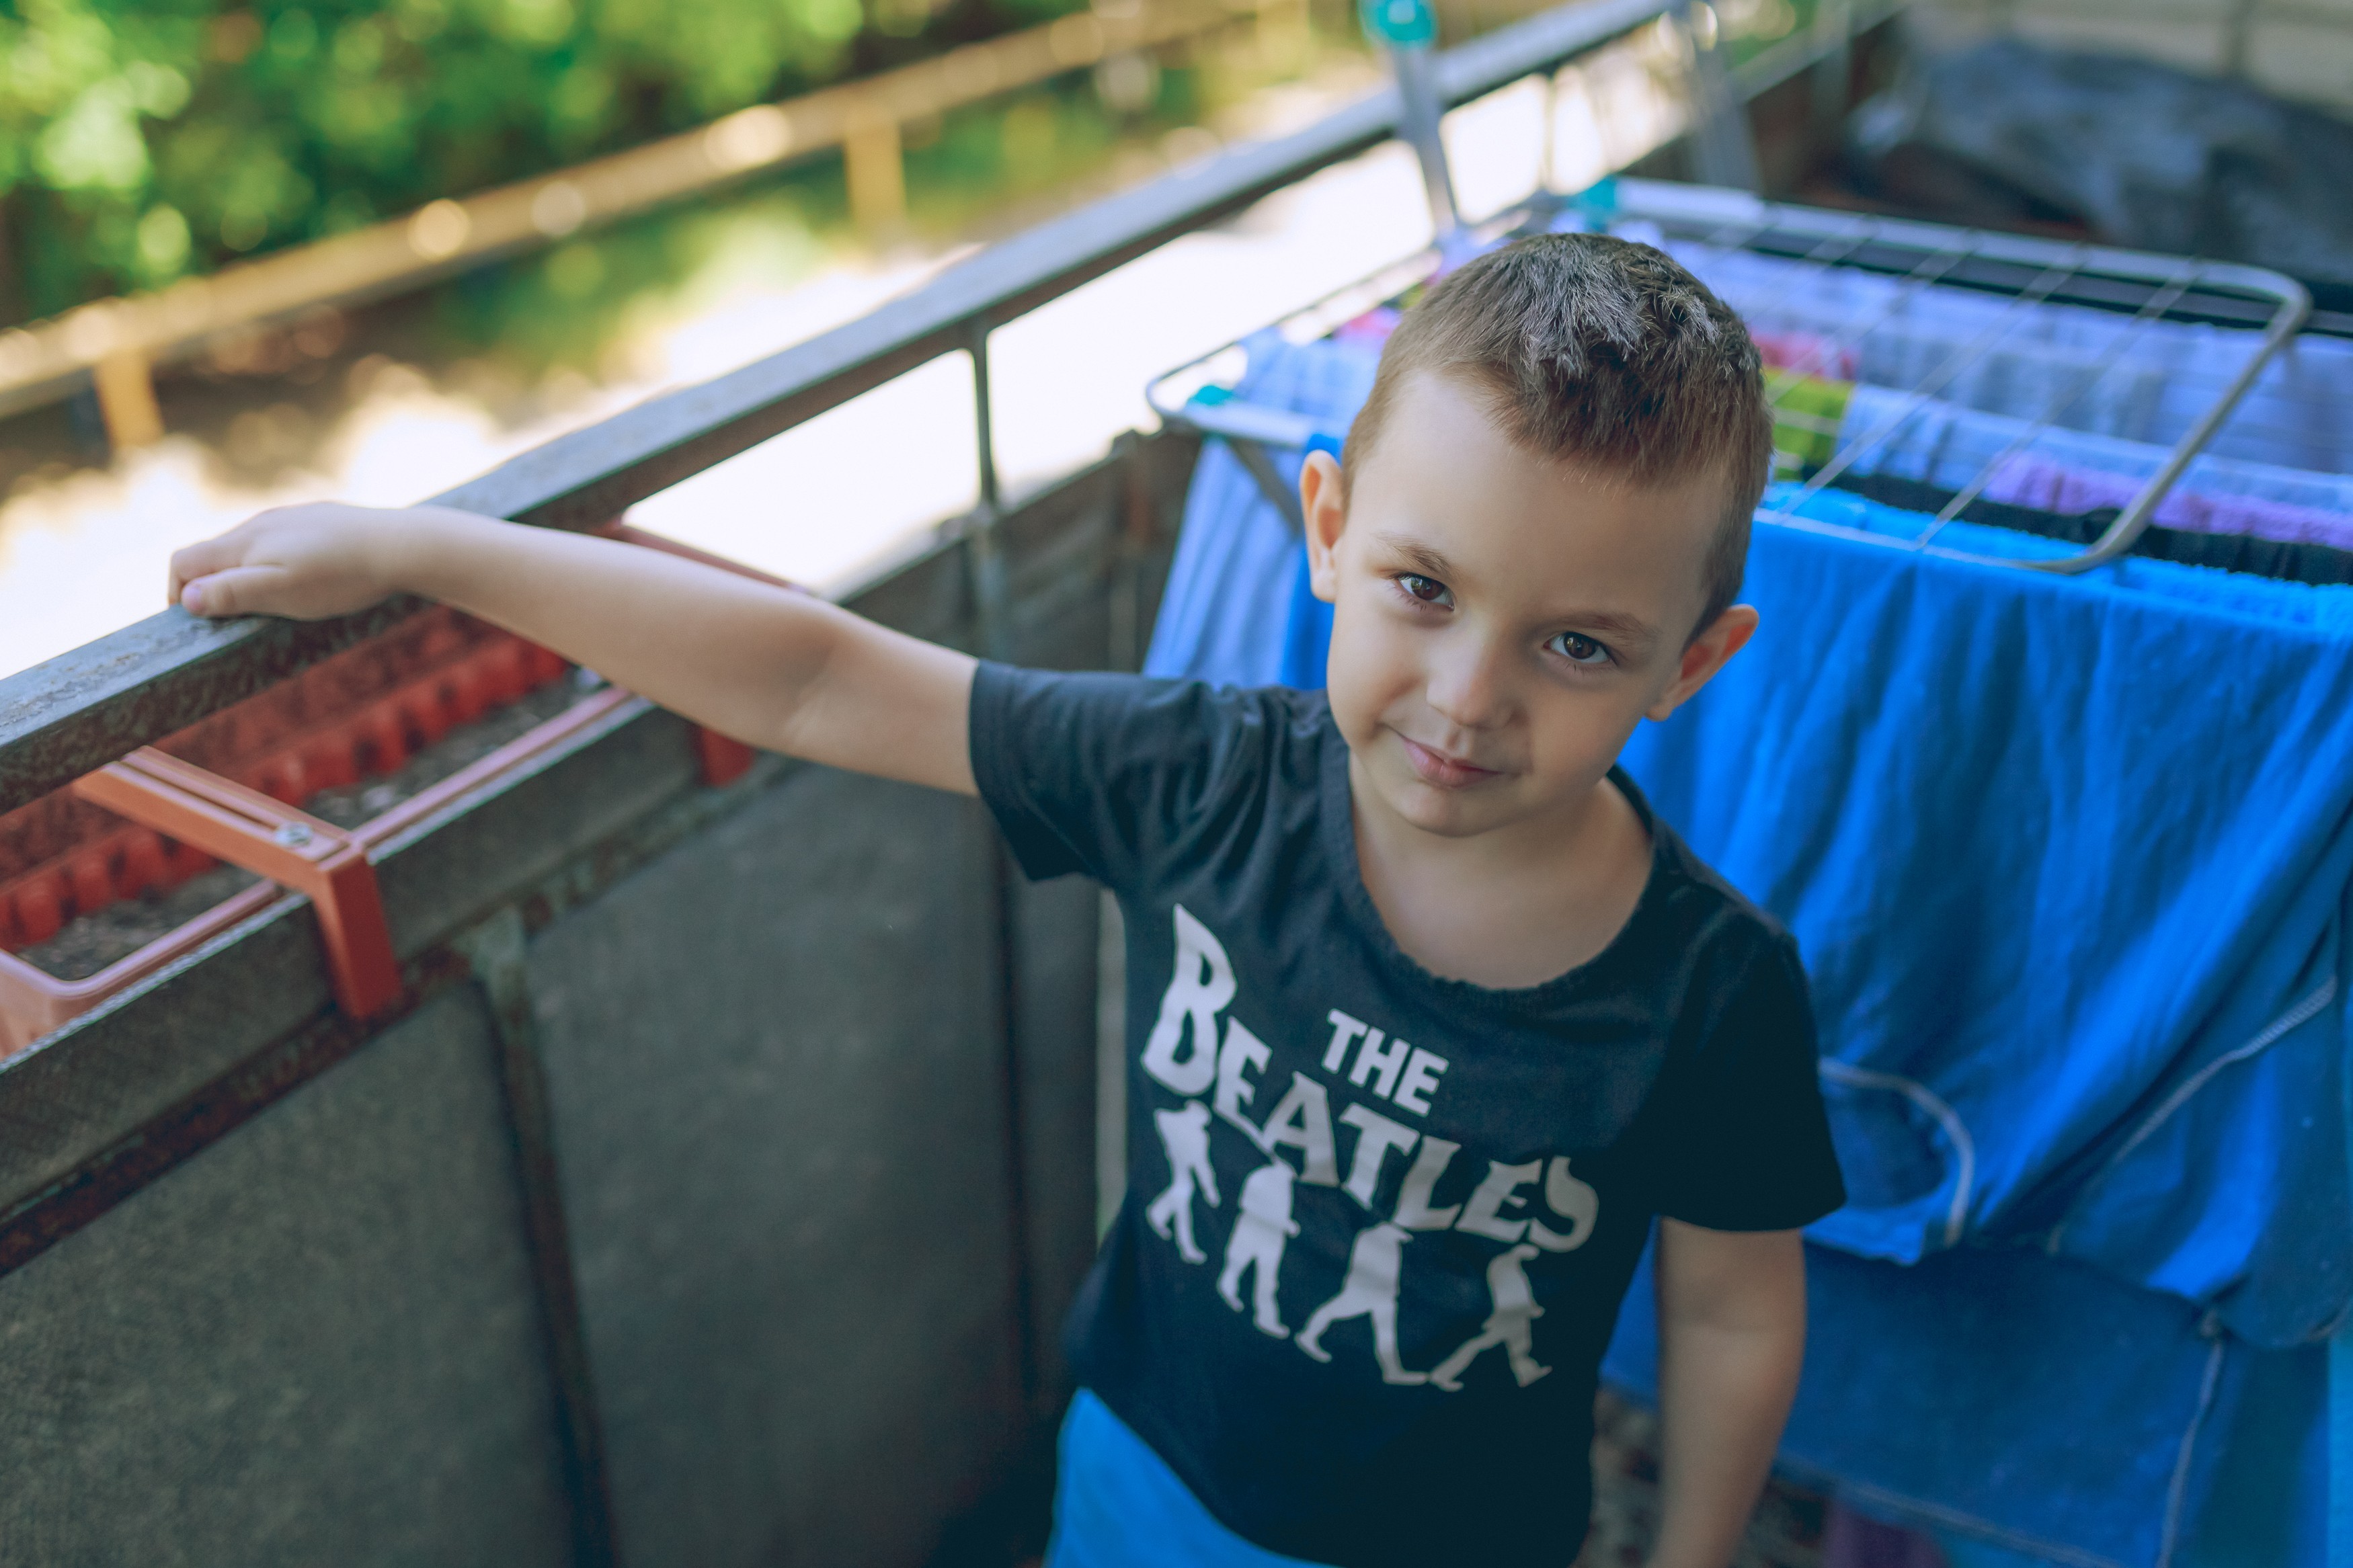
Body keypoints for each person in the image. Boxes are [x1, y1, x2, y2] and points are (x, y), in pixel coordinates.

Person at [169, 232, 1845, 1568]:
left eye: (1576, 645)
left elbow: (1728, 1308)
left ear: (1690, 665)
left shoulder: (1712, 987)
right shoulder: (1200, 779)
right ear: (1327, 529)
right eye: (1423, 588)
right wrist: (428, 553)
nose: (1468, 699)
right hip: (1137, 1474)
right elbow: (816, 678)